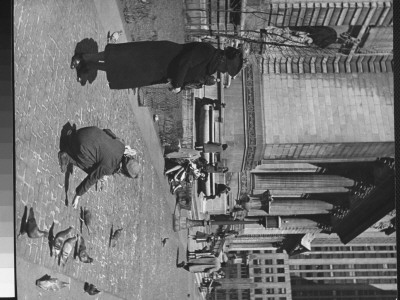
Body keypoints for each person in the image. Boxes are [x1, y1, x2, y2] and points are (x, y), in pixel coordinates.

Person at [70, 41, 243, 92]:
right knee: (121, 57)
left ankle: (91, 65)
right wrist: (177, 84)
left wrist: (179, 86)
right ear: (222, 59)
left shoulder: (208, 70)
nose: (223, 72)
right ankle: (85, 57)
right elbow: (185, 62)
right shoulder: (208, 50)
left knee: (122, 72)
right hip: (158, 56)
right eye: (225, 68)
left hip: (157, 72)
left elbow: (188, 77)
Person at [58, 126, 140, 209]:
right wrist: (77, 195)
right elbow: (92, 178)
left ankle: (71, 136)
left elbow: (107, 131)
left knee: (96, 159)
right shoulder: (110, 167)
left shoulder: (122, 146)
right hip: (80, 143)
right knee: (93, 170)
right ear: (124, 172)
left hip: (85, 132)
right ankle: (67, 157)